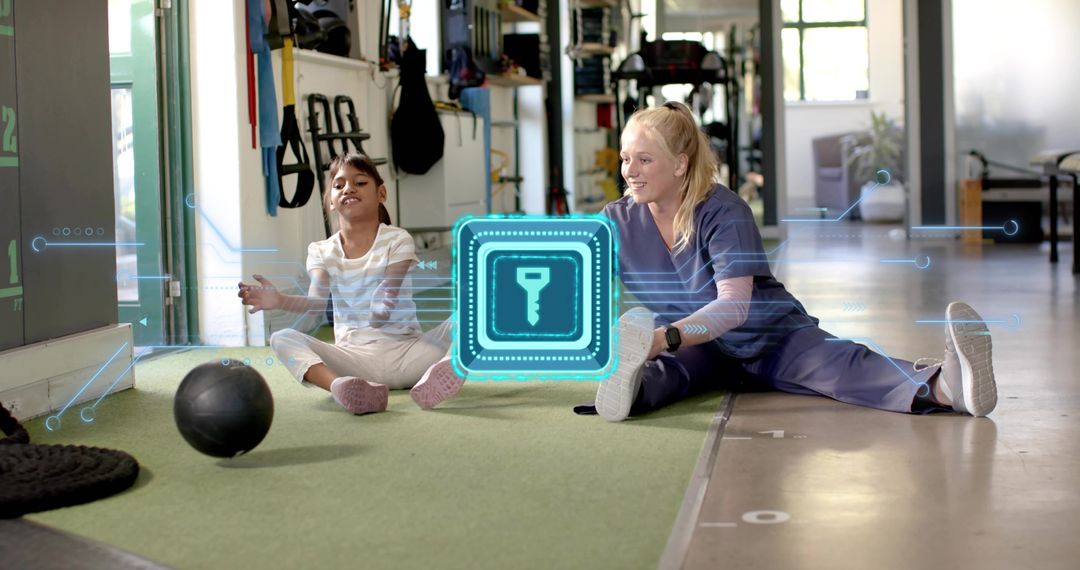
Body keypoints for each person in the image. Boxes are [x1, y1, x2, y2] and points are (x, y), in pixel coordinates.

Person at [590, 101, 998, 422]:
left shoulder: (722, 211)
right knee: (666, 374)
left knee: (840, 366)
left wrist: (664, 338)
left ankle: (949, 385)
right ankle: (630, 392)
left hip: (768, 337)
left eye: (644, 159)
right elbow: (581, 290)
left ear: (680, 163)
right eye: (626, 159)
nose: (630, 171)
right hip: (700, 347)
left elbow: (734, 306)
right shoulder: (617, 220)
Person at [238, 152, 465, 414]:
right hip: (355, 361)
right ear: (331, 202)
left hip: (411, 356)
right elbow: (316, 304)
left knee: (479, 310)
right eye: (339, 185)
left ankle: (447, 367)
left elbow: (390, 287)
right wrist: (279, 300)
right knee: (281, 338)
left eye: (360, 182)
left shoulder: (397, 239)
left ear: (381, 194)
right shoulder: (321, 250)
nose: (348, 188)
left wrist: (382, 305)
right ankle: (341, 386)